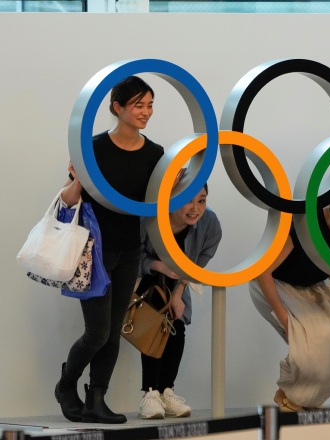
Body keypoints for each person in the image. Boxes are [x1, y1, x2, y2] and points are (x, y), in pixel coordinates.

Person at [56, 76, 164, 424]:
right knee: (97, 333)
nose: (146, 112)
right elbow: (68, 200)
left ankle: (96, 399)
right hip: (92, 251)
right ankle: (66, 384)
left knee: (113, 330)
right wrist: (77, 179)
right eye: (138, 105)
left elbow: (154, 204)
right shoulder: (93, 147)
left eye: (149, 105)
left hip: (129, 250)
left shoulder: (155, 153)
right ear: (117, 107)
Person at [249, 171, 330, 411]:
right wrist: (284, 317)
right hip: (275, 283)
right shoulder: (305, 221)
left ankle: (302, 400)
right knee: (315, 341)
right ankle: (292, 396)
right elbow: (263, 272)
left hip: (314, 286)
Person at [137, 183, 222, 419]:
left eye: (202, 200)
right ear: (172, 199)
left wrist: (179, 290)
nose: (195, 208)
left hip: (178, 281)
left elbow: (200, 259)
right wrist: (158, 265)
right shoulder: (150, 218)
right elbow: (132, 256)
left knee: (177, 323)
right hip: (145, 279)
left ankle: (166, 391)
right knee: (156, 323)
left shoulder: (209, 223)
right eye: (188, 200)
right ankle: (150, 393)